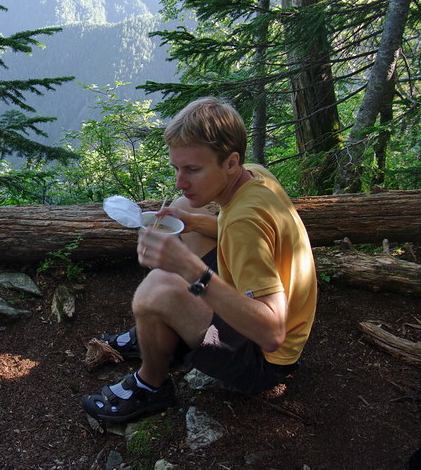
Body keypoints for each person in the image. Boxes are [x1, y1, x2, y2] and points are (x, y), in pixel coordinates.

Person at [83, 96, 317, 424]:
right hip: (277, 320)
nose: (181, 180)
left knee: (155, 291)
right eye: (177, 168)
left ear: (231, 162)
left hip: (264, 361)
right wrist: (190, 222)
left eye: (192, 169)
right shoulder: (255, 177)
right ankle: (157, 332)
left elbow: (272, 333)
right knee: (185, 209)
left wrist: (192, 271)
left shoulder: (243, 223)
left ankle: (151, 385)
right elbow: (235, 229)